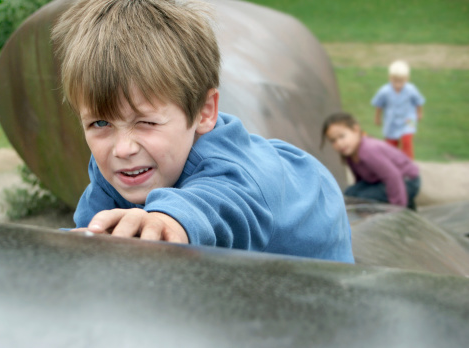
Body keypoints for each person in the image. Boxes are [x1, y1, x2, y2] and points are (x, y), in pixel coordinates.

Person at [51, 0, 354, 263]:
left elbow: (220, 202)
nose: (122, 149)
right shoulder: (117, 168)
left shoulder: (234, 172)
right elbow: (87, 238)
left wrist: (166, 220)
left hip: (307, 235)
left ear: (204, 112)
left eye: (145, 122)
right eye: (100, 124)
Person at [322, 112, 420, 210]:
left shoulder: (368, 150)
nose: (339, 143)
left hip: (406, 181)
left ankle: (407, 205)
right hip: (382, 181)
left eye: (342, 136)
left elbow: (393, 176)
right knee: (350, 194)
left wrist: (398, 208)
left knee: (363, 197)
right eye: (333, 140)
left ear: (356, 130)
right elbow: (360, 180)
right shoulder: (350, 152)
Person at [371, 60, 425, 159]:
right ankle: (392, 163)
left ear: (407, 79)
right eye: (395, 81)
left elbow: (419, 101)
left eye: (401, 81)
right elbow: (378, 104)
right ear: (390, 78)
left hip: (408, 119)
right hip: (391, 120)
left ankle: (408, 163)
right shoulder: (385, 91)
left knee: (407, 141)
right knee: (390, 144)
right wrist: (377, 117)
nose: (398, 84)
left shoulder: (411, 89)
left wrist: (419, 113)